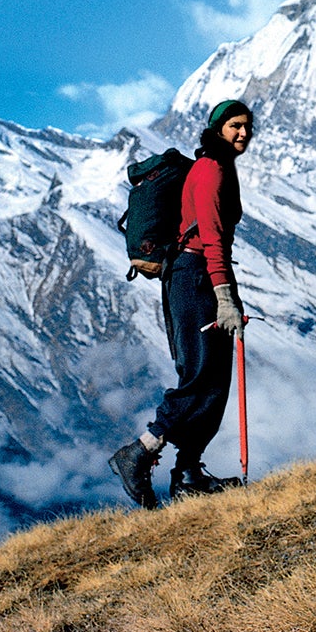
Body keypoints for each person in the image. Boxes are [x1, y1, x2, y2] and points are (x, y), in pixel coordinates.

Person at [111, 98, 252, 508]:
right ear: (218, 130)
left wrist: (227, 291)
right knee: (199, 375)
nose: (243, 133)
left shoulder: (221, 167)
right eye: (235, 126)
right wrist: (224, 296)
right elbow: (209, 234)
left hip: (202, 276)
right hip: (194, 278)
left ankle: (189, 474)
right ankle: (139, 452)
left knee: (214, 381)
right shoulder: (209, 171)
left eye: (247, 126)